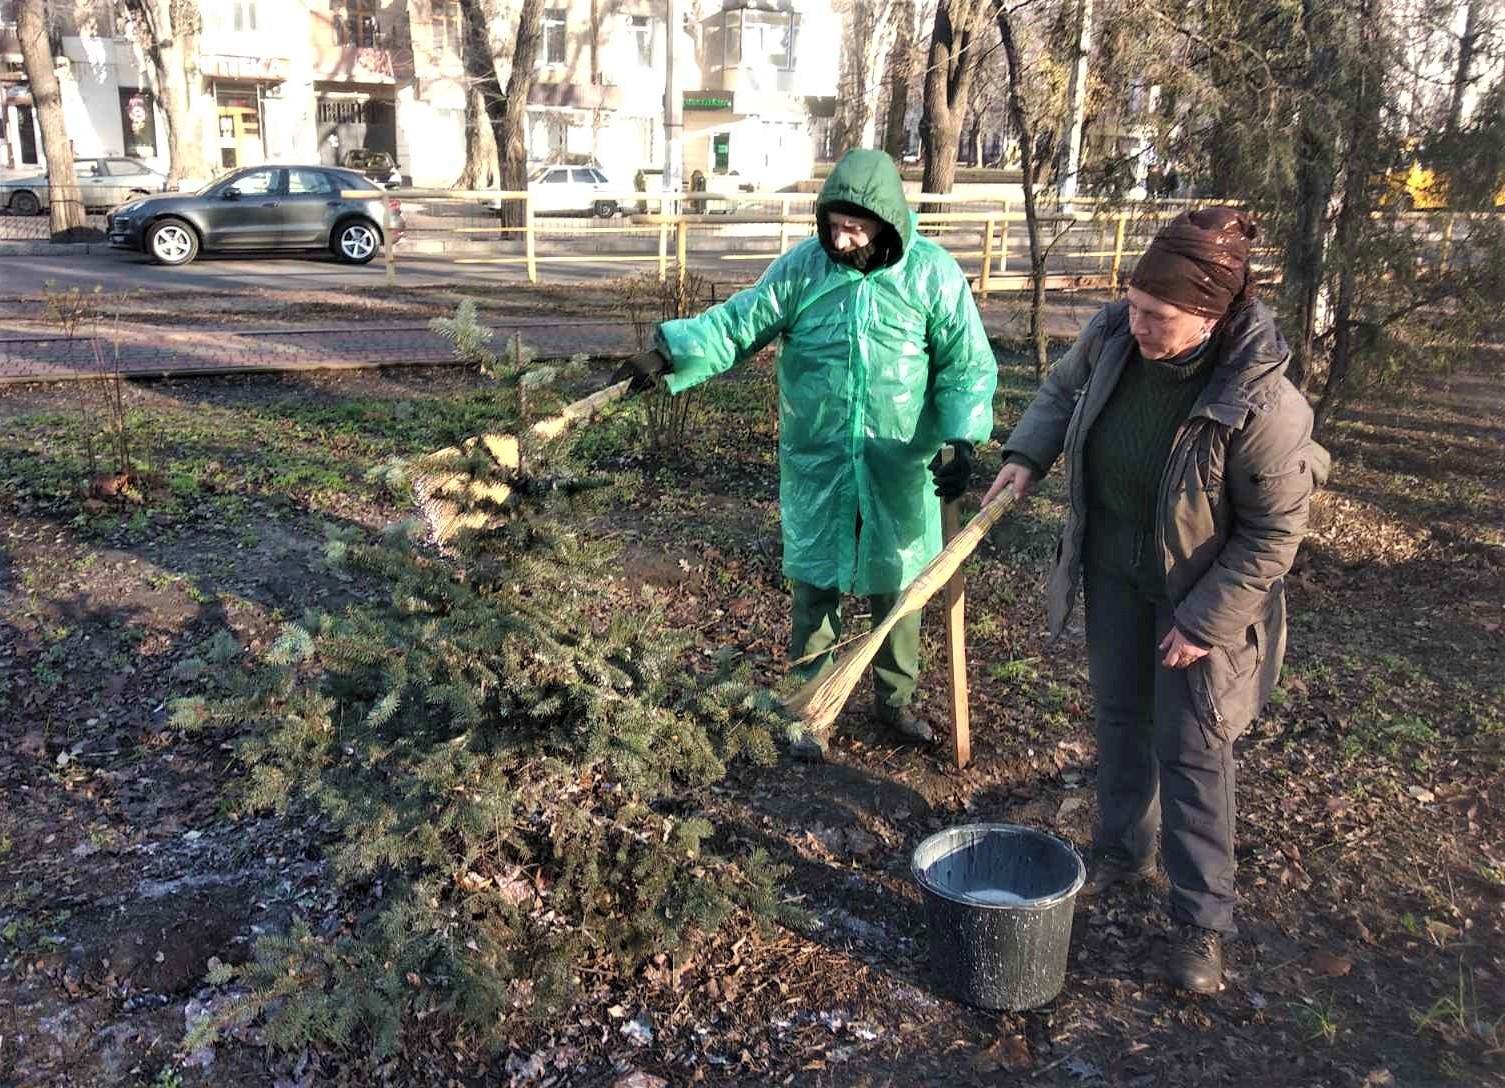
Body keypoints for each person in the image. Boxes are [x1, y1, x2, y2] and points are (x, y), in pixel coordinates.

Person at [982, 207, 1327, 993]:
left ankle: (1200, 923)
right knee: (1118, 716)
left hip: (1198, 596)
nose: (1135, 325)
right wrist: (1025, 455)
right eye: (1133, 305)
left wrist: (1206, 620)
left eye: (1156, 317)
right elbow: (1062, 392)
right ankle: (1119, 849)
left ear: (1209, 315)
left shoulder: (1261, 402)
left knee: (1194, 749)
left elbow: (1276, 532)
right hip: (1111, 569)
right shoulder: (1111, 335)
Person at [612, 149, 997, 761]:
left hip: (902, 461)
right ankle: (808, 701)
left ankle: (895, 699)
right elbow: (741, 323)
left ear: (887, 221)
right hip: (818, 459)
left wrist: (961, 435)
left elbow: (965, 364)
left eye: (856, 226)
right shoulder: (802, 272)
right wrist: (670, 353)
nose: (842, 239)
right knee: (816, 578)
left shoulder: (933, 276)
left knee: (900, 583)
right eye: (833, 223)